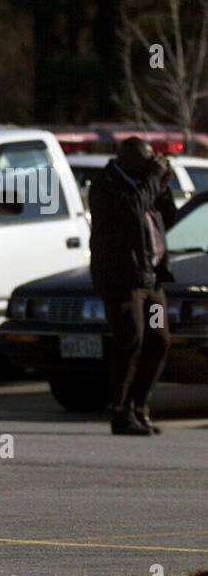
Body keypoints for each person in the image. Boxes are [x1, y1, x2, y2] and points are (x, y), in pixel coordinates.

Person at [87, 137, 177, 436]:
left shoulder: (144, 183)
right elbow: (133, 211)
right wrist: (152, 179)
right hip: (123, 281)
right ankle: (121, 412)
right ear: (128, 160)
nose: (151, 164)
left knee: (159, 340)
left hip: (151, 280)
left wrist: (163, 185)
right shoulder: (107, 186)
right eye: (146, 159)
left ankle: (140, 408)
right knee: (131, 340)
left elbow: (170, 217)